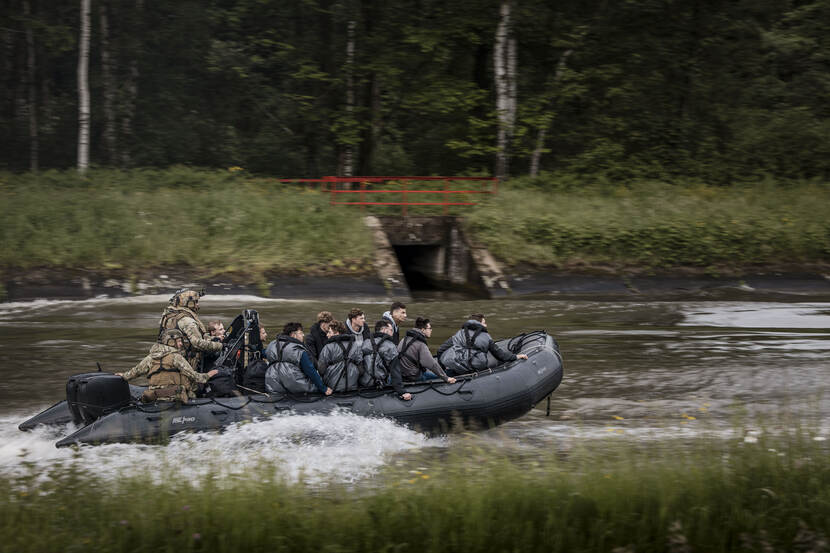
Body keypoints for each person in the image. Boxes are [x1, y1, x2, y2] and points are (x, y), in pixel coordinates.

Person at [116, 329, 218, 403]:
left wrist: (123, 376)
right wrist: (208, 375)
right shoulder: (176, 357)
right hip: (173, 397)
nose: (181, 344)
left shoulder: (151, 357)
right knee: (193, 392)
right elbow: (194, 376)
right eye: (179, 341)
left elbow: (135, 371)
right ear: (171, 342)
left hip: (154, 396)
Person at [437, 313, 527, 376]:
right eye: (484, 323)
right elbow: (501, 356)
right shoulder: (486, 337)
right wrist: (517, 356)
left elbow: (440, 350)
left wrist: (442, 368)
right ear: (479, 324)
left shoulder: (458, 334)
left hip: (456, 368)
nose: (486, 325)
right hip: (474, 370)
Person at [157, 288, 222, 371]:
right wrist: (220, 346)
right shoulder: (188, 321)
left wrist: (212, 339)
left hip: (167, 358)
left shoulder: (168, 315)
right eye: (196, 302)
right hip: (185, 363)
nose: (198, 305)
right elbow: (198, 343)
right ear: (189, 303)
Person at [264, 322, 332, 396]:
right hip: (294, 384)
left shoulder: (271, 345)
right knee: (316, 384)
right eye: (301, 333)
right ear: (293, 335)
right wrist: (323, 388)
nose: (303, 335)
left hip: (272, 383)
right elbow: (310, 370)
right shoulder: (297, 349)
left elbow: (265, 354)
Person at [361, 319, 411, 400]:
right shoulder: (390, 346)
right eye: (391, 330)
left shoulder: (366, 342)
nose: (392, 333)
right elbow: (395, 371)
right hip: (380, 384)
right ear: (384, 330)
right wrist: (402, 392)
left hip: (364, 383)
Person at [398, 317, 457, 384]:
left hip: (401, 374)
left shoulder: (404, 339)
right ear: (423, 330)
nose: (431, 330)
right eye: (430, 328)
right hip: (413, 376)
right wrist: (446, 378)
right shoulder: (421, 344)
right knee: (441, 376)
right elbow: (432, 364)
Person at [318, 321, 364, 392]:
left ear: (337, 333)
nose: (327, 335)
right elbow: (361, 370)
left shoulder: (328, 347)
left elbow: (321, 370)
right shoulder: (355, 345)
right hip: (352, 386)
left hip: (333, 387)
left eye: (329, 332)